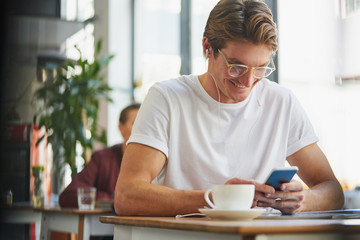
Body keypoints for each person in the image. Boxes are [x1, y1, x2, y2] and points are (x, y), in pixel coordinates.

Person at [114, 0, 344, 216]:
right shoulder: (167, 98)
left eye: (261, 68)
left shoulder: (282, 102)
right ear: (207, 48)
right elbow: (127, 196)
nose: (248, 81)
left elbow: (332, 191)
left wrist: (302, 200)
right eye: (237, 66)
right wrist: (218, 199)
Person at [59, 103, 140, 208]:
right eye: (135, 124)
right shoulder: (102, 158)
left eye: (145, 125)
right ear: (121, 127)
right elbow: (68, 196)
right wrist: (111, 199)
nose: (141, 130)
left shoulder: (158, 162)